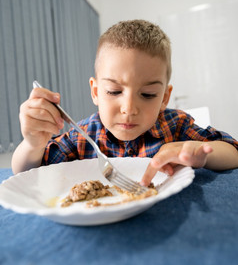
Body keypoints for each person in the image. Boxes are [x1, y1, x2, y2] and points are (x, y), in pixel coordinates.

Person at [11, 19, 238, 185]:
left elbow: (233, 151)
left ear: (164, 98)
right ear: (96, 91)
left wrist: (201, 153)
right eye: (113, 91)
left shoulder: (175, 125)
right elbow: (27, 172)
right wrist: (33, 145)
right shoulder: (83, 136)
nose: (129, 109)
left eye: (148, 94)